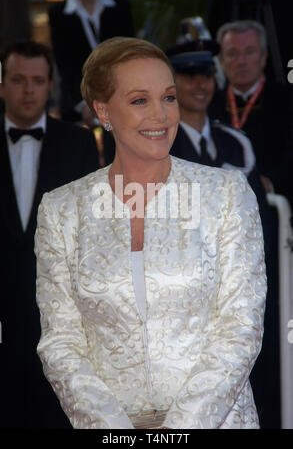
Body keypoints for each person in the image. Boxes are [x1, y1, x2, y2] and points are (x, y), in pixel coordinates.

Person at [35, 36, 267, 429]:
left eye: (169, 97)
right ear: (103, 110)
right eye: (140, 100)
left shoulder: (226, 194)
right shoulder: (61, 210)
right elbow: (61, 342)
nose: (160, 115)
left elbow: (241, 329)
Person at [167, 40, 280, 428]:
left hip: (236, 292)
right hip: (185, 299)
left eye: (206, 75)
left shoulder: (236, 142)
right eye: (188, 76)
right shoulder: (157, 145)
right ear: (172, 83)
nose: (200, 84)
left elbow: (258, 223)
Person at [0, 40, 100, 429]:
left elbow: (88, 232)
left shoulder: (78, 143)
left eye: (37, 80)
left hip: (58, 320)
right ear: (3, 83)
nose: (28, 90)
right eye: (19, 80)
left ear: (50, 85)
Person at [209, 20, 293, 207]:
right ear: (221, 61)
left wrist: (270, 183)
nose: (241, 61)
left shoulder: (286, 100)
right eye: (232, 54)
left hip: (276, 206)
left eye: (249, 52)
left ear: (264, 57)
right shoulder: (209, 104)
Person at [48, 0, 135, 125]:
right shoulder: (58, 13)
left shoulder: (121, 7)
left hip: (119, 98)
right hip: (76, 104)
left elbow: (129, 57)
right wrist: (84, 103)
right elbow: (64, 66)